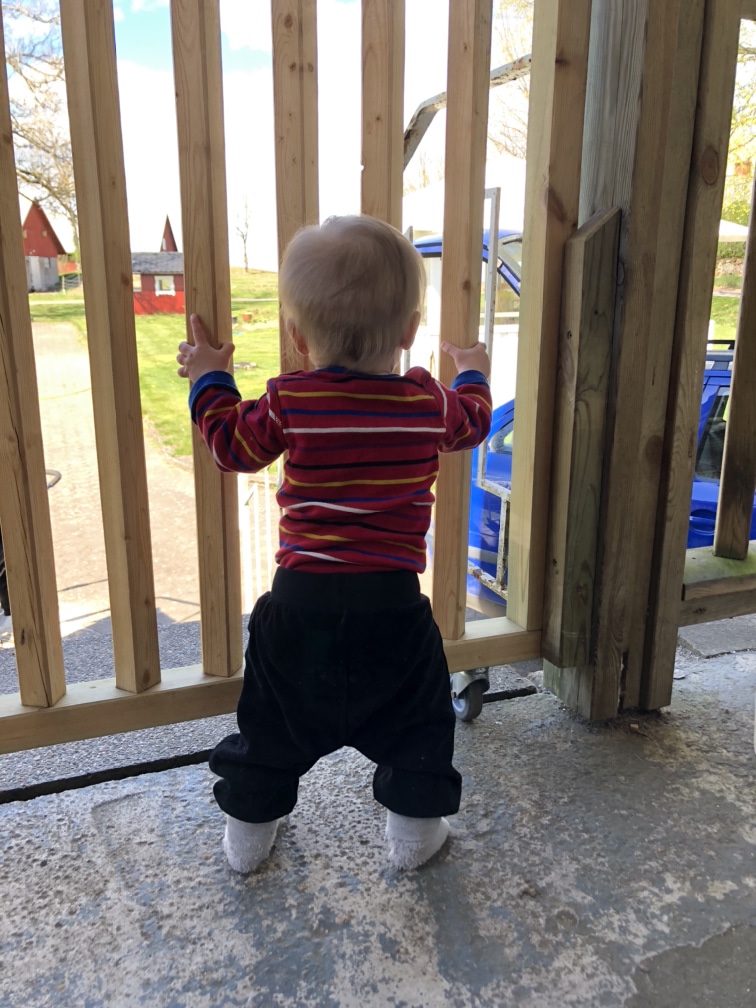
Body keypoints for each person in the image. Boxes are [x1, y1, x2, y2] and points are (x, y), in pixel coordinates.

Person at [177, 214, 492, 873]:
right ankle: (414, 837)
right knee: (419, 724)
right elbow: (473, 422)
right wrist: (471, 371)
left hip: (300, 607)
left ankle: (247, 840)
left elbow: (231, 446)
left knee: (270, 724)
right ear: (409, 332)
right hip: (393, 608)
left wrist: (209, 378)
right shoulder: (425, 402)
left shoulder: (290, 401)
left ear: (298, 337)